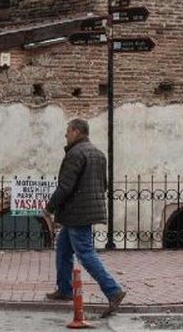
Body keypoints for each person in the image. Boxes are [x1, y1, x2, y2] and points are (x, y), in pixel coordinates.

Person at [43, 119, 125, 316]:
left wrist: (49, 208)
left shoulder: (75, 154)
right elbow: (102, 184)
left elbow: (65, 186)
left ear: (77, 132)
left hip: (76, 212)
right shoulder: (98, 153)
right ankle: (65, 289)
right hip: (85, 210)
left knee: (85, 254)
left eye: (68, 131)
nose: (66, 135)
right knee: (63, 250)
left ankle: (113, 291)